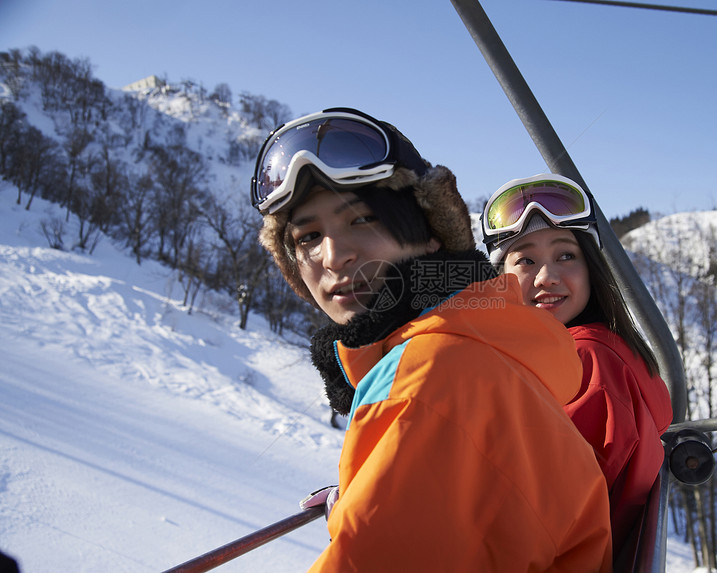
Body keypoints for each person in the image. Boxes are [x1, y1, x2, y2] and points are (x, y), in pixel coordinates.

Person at [252, 109, 612, 571]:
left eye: (362, 220)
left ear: (430, 238)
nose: (335, 256)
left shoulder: (429, 372)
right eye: (308, 237)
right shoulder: (480, 343)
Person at [481, 173, 674, 568]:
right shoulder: (604, 349)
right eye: (526, 260)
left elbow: (541, 518)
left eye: (566, 255)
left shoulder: (584, 363)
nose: (547, 277)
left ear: (592, 268)